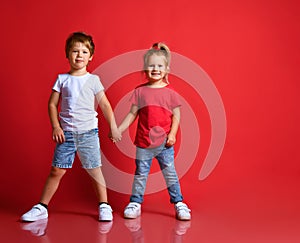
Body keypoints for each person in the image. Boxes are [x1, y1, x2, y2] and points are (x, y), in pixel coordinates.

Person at [21, 32, 121, 222]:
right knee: (57, 170)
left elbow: (105, 105)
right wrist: (56, 127)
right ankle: (42, 207)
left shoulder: (93, 80)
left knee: (94, 169)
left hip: (88, 134)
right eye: (75, 51)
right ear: (67, 54)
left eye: (84, 51)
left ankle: (104, 205)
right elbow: (52, 104)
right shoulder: (62, 79)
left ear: (90, 56)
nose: (79, 55)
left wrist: (114, 127)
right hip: (66, 134)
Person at [118, 42, 191, 221]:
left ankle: (179, 202)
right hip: (144, 143)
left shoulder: (171, 92)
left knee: (170, 174)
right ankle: (135, 202)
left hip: (165, 144)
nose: (155, 69)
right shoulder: (140, 91)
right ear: (145, 69)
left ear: (167, 69)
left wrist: (173, 134)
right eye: (151, 66)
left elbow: (177, 116)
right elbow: (132, 114)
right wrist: (118, 129)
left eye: (159, 66)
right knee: (141, 174)